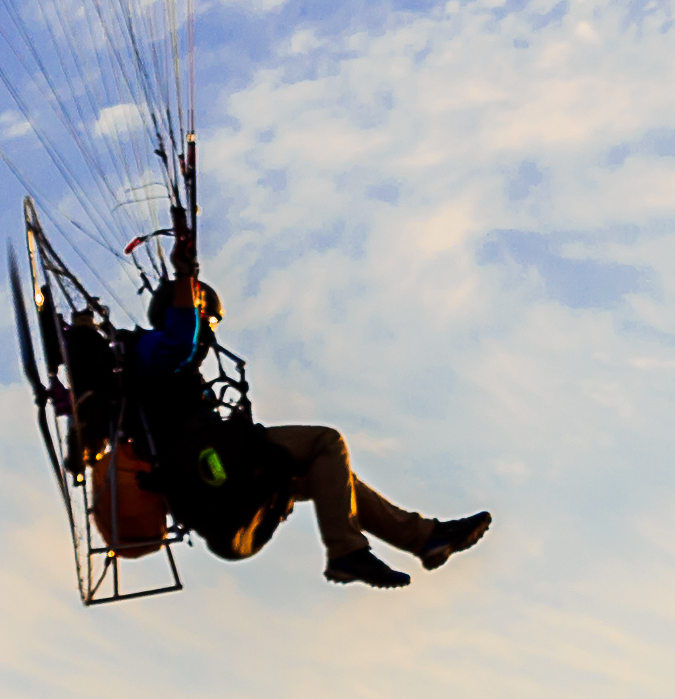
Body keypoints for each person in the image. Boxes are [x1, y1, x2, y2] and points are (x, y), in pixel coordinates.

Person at [113, 219, 488, 591]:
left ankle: (425, 538)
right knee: (327, 442)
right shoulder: (150, 351)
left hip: (218, 485)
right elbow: (180, 341)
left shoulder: (167, 371)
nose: (208, 331)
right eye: (205, 319)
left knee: (335, 477)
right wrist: (183, 275)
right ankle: (347, 551)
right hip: (212, 472)